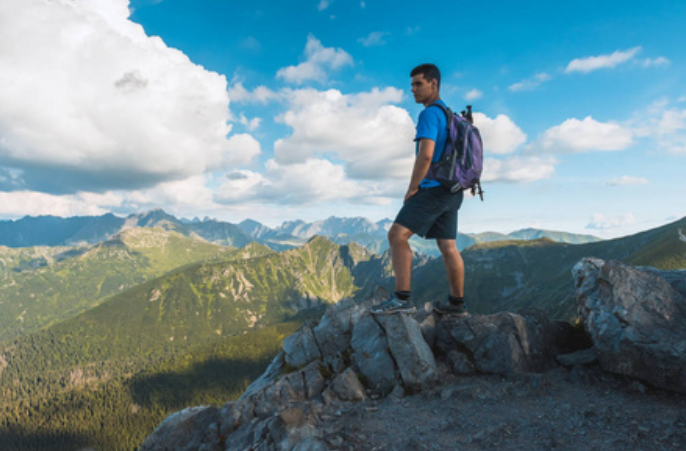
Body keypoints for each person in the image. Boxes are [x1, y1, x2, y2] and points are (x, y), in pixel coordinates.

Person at [371, 63, 468, 317]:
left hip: (433, 188)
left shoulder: (428, 115)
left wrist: (412, 188)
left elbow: (425, 156)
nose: (412, 90)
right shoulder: (449, 115)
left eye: (418, 84)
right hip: (453, 190)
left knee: (396, 236)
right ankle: (457, 305)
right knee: (448, 246)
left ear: (433, 84)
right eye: (411, 85)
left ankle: (402, 299)